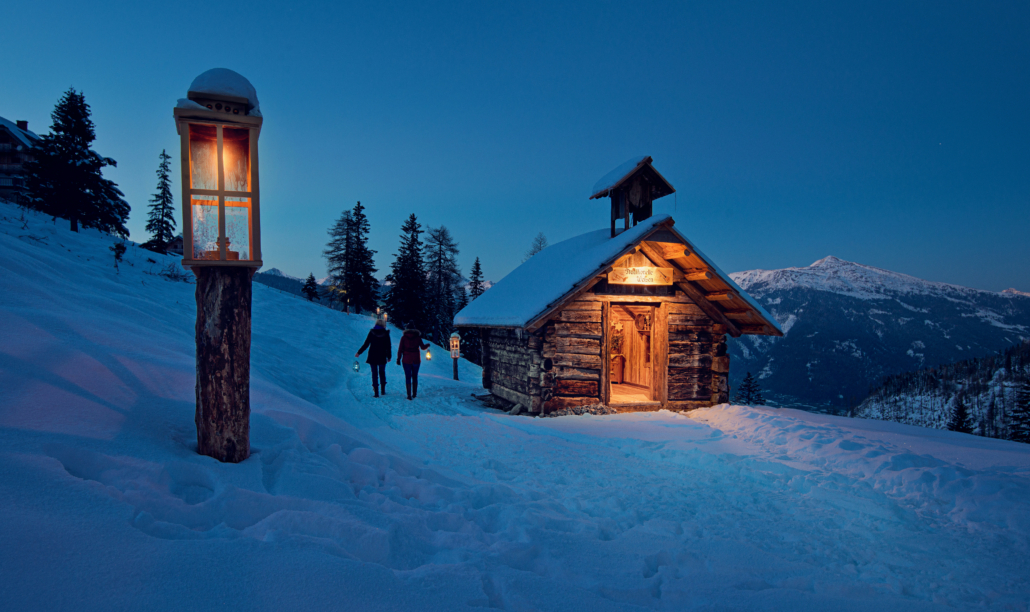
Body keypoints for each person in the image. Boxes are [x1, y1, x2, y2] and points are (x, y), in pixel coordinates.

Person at [355, 320, 392, 398]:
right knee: (382, 372)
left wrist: (359, 352)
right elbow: (388, 346)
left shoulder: (372, 333)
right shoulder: (386, 334)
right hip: (382, 355)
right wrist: (389, 356)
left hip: (373, 355)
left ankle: (376, 392)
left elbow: (366, 344)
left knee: (374, 373)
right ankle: (383, 390)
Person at [396, 323, 430, 400]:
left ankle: (409, 395)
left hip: (406, 359)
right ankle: (414, 394)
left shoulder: (403, 338)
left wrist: (398, 359)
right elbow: (422, 347)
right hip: (416, 359)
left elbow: (400, 349)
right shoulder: (417, 337)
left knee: (408, 377)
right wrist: (427, 345)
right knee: (415, 376)